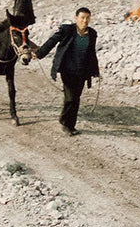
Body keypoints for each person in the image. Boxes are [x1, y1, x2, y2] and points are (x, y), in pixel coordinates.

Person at [34, 7, 100, 136]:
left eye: (87, 18)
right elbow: (52, 41)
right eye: (82, 18)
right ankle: (66, 123)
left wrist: (95, 70)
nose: (85, 21)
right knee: (70, 97)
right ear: (76, 18)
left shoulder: (92, 33)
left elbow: (92, 53)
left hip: (82, 70)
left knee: (76, 97)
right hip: (67, 69)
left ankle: (70, 124)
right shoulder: (67, 30)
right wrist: (39, 53)